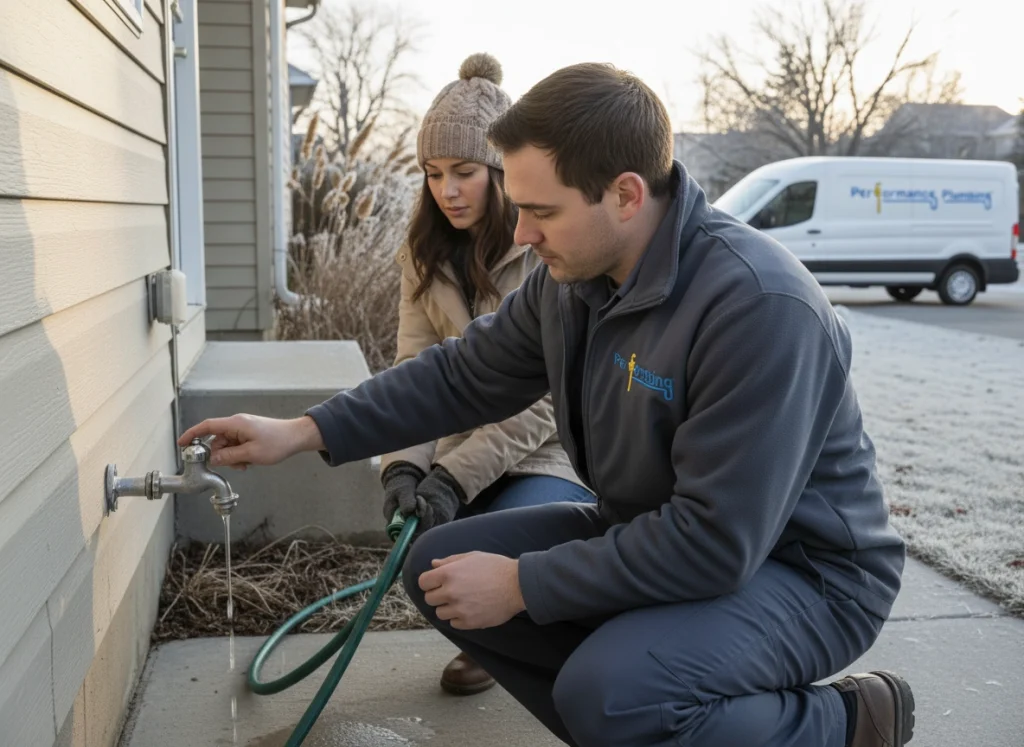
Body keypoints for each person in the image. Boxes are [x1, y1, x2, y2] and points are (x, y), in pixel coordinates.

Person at [181, 62, 915, 747]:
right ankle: (632, 721)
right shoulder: (572, 281)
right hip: (653, 528)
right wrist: (303, 429)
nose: (522, 233)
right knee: (442, 567)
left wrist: (523, 583)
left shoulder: (758, 307)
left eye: (541, 211)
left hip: (805, 574)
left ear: (626, 194)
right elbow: (462, 375)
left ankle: (844, 720)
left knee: (613, 690)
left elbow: (717, 543)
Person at [379, 53, 593, 696]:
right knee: (426, 546)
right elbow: (413, 373)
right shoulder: (421, 256)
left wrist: (452, 477)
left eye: (465, 172)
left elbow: (547, 402)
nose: (447, 190)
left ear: (502, 172)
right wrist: (406, 468)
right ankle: (490, 642)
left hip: (548, 454)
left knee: (510, 543)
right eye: (433, 173)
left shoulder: (544, 256)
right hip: (459, 450)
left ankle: (556, 648)